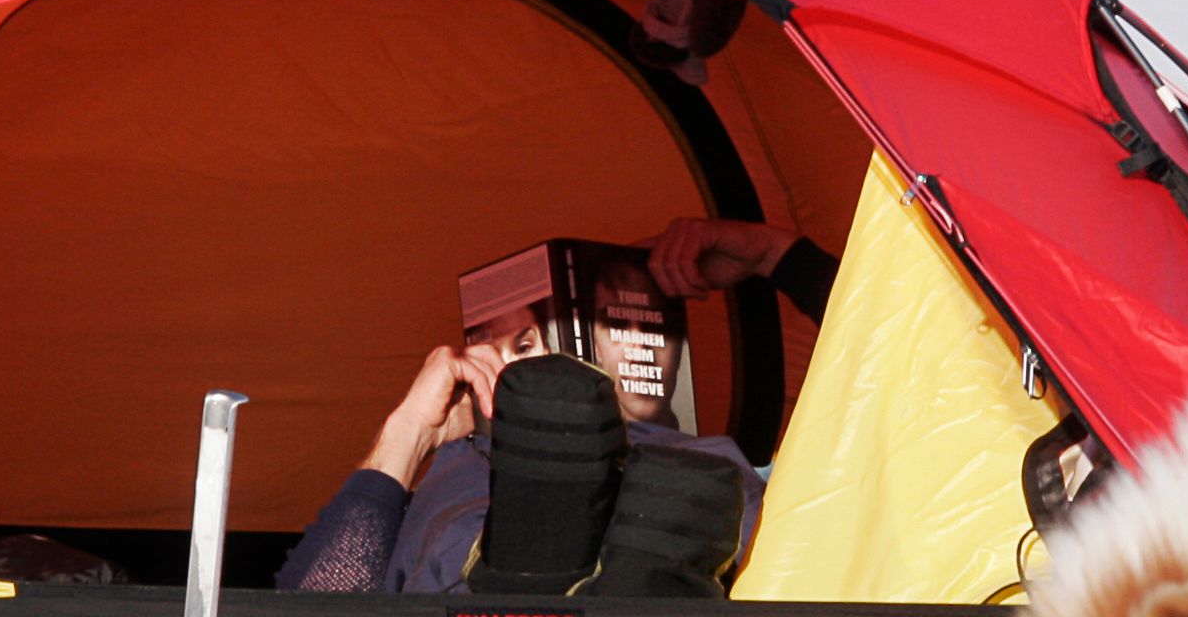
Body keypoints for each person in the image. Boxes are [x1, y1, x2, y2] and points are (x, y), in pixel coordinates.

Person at [277, 217, 831, 595]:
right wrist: (410, 436)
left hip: (668, 557)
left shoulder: (714, 461)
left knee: (710, 492)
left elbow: (892, 375)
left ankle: (566, 575)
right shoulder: (457, 462)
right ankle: (550, 566)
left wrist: (776, 254)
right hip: (476, 611)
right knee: (682, 503)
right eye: (508, 350)